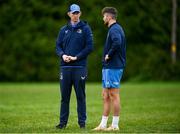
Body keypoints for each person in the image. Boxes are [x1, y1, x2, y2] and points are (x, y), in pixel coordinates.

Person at [55, 4, 93, 129]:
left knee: (80, 96)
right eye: (73, 13)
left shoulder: (86, 29)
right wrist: (62, 55)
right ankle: (62, 123)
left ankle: (82, 123)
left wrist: (76, 57)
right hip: (65, 68)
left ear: (80, 13)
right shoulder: (63, 30)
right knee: (64, 98)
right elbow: (58, 46)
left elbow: (89, 47)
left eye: (77, 13)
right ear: (69, 14)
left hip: (79, 67)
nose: (75, 15)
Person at [93, 7, 126, 131]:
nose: (103, 19)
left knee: (114, 95)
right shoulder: (113, 29)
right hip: (108, 67)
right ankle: (103, 124)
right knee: (105, 95)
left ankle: (115, 125)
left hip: (113, 66)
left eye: (104, 16)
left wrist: (109, 55)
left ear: (109, 17)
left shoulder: (115, 29)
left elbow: (117, 43)